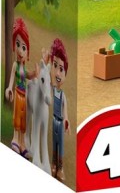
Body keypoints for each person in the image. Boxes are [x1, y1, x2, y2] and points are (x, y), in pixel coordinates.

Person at [4, 18, 35, 158]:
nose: (20, 51)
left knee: (23, 120)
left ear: (27, 51)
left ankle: (22, 143)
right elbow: (11, 80)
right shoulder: (15, 66)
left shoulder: (23, 67)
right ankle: (15, 139)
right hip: (17, 94)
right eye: (18, 45)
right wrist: (9, 89)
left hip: (24, 96)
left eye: (24, 47)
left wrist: (35, 73)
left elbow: (28, 75)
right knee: (17, 118)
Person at [49, 38, 70, 181]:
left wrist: (66, 120)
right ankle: (54, 164)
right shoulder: (51, 90)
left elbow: (65, 111)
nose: (57, 73)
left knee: (60, 145)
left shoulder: (62, 95)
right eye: (55, 66)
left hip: (60, 122)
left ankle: (60, 168)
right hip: (53, 120)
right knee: (54, 143)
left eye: (61, 69)